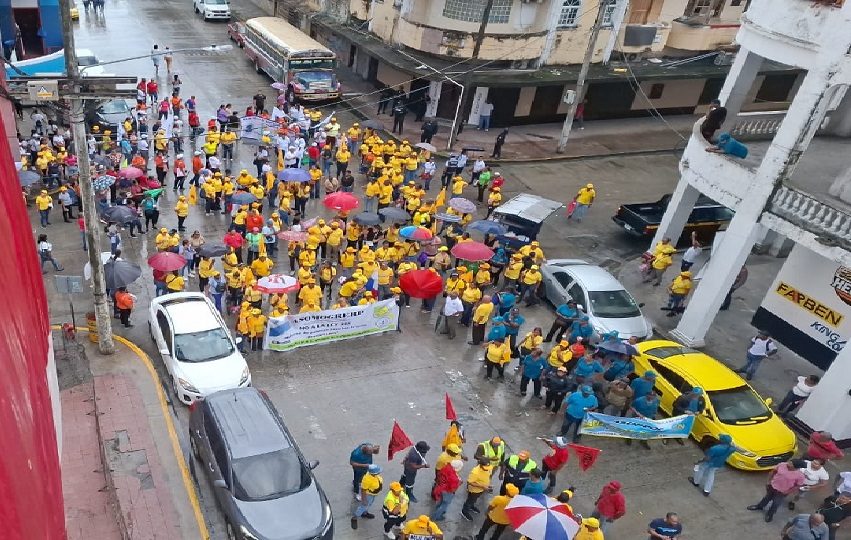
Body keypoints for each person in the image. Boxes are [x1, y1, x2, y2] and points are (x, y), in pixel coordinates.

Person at [352, 464, 383, 529]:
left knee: (369, 504)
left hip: (373, 494)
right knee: (363, 506)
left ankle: (364, 513)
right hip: (368, 495)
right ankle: (355, 517)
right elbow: (363, 490)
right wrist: (364, 499)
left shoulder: (375, 476)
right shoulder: (367, 479)